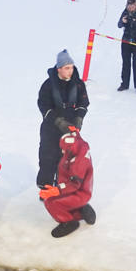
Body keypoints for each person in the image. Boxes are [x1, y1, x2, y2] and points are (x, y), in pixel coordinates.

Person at [36, 49, 90, 188]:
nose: (70, 71)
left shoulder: (78, 84)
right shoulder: (48, 85)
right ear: (59, 69)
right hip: (51, 128)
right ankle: (45, 187)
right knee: (48, 158)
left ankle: (63, 187)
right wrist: (59, 122)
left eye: (71, 67)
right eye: (66, 68)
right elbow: (44, 106)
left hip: (71, 127)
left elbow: (83, 103)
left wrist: (79, 118)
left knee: (68, 160)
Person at [38, 127, 96, 238]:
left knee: (51, 202)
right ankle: (80, 210)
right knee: (56, 200)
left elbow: (74, 184)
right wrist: (75, 132)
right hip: (75, 189)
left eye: (65, 150)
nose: (63, 151)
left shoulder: (78, 162)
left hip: (78, 192)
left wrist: (57, 190)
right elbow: (77, 138)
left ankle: (68, 222)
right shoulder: (81, 145)